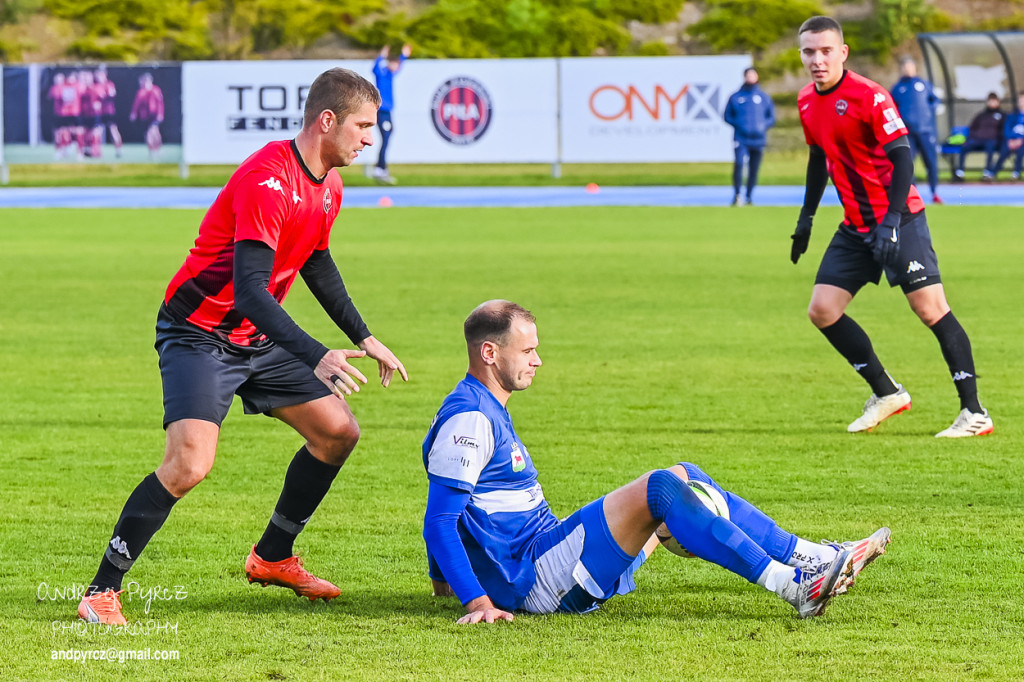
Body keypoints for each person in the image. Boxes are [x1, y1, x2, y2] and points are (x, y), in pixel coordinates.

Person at [77, 68, 409, 625]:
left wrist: (364, 336)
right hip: (198, 333)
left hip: (255, 336)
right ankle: (100, 591)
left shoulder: (330, 185)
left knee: (337, 432)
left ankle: (272, 557)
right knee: (189, 464)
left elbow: (316, 261)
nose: (370, 139)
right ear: (327, 120)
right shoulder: (267, 179)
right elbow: (252, 291)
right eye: (363, 126)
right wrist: (317, 354)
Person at [421, 300, 890, 624]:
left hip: (547, 554)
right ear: (489, 352)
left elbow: (455, 506)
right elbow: (439, 521)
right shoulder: (470, 420)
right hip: (535, 579)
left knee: (685, 475)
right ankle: (794, 586)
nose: (538, 360)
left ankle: (815, 558)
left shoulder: (482, 406)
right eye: (527, 351)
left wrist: (442, 584)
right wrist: (477, 601)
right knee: (660, 488)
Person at [790, 16, 993, 438]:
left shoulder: (870, 96)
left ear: (843, 52)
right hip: (855, 226)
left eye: (826, 50)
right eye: (809, 51)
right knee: (822, 310)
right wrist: (806, 217)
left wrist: (892, 220)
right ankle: (887, 392)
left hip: (899, 218)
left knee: (930, 309)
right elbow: (817, 159)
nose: (817, 59)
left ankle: (974, 412)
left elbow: (903, 157)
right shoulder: (806, 100)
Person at [890, 56, 943, 203]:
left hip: (926, 131)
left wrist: (928, 113)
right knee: (907, 163)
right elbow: (891, 107)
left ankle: (934, 192)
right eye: (905, 66)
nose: (907, 69)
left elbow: (935, 100)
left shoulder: (923, 84)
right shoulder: (897, 88)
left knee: (931, 162)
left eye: (910, 66)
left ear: (914, 67)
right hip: (908, 133)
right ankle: (912, 193)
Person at [723, 67, 775, 206]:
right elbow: (727, 116)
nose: (751, 77)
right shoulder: (736, 97)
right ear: (744, 77)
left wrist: (762, 126)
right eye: (748, 75)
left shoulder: (764, 97)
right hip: (741, 138)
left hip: (758, 139)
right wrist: (740, 125)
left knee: (754, 168)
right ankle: (737, 195)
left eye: (753, 74)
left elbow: (771, 117)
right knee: (739, 164)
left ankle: (749, 196)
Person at [371, 44, 411, 185]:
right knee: (386, 138)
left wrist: (404, 55)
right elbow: (374, 68)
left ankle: (381, 168)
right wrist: (382, 55)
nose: (397, 66)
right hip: (381, 112)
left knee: (387, 137)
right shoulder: (382, 73)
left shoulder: (390, 75)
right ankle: (380, 168)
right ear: (389, 63)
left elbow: (399, 66)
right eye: (394, 63)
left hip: (387, 112)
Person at [954, 92, 1004, 181]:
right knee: (965, 146)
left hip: (992, 141)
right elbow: (972, 128)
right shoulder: (981, 115)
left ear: (998, 102)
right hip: (978, 140)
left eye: (994, 101)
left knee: (990, 145)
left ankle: (987, 172)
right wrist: (970, 138)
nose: (992, 103)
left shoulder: (1002, 115)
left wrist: (999, 139)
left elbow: (1003, 130)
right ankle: (960, 172)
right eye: (990, 101)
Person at [130, 72, 165, 160]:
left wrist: (160, 114)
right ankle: (152, 150)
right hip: (145, 116)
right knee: (150, 132)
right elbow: (136, 104)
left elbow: (160, 103)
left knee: (153, 131)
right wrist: (134, 113)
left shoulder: (156, 90)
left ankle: (156, 149)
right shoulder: (141, 92)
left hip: (154, 114)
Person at [991, 90, 1024, 181]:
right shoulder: (1013, 115)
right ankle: (993, 173)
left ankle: (1016, 172)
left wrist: (1021, 140)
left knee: (1021, 150)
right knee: (1004, 150)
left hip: (1022, 142)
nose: (1022, 102)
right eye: (1020, 100)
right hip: (1011, 141)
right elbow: (1007, 129)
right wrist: (1011, 140)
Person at [95, 66, 123, 158]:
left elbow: (112, 94)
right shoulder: (96, 86)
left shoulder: (109, 84)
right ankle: (97, 151)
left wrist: (103, 96)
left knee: (113, 130)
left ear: (105, 74)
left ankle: (119, 150)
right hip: (99, 112)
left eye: (101, 74)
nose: (99, 76)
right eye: (98, 74)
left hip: (109, 111)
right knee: (98, 131)